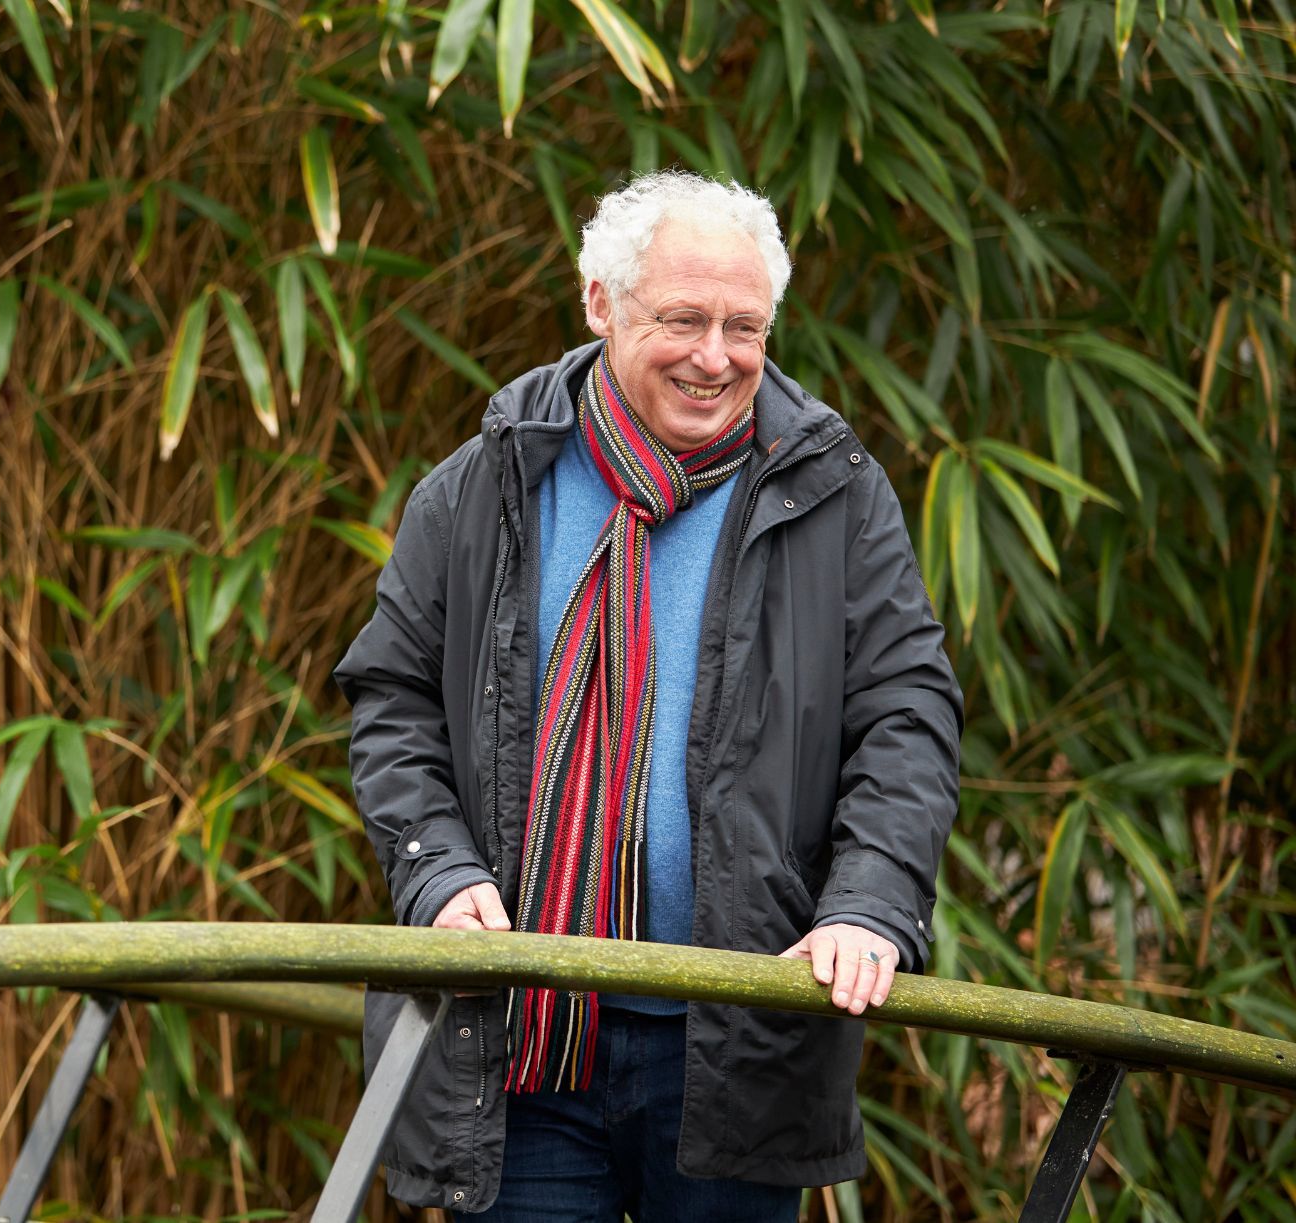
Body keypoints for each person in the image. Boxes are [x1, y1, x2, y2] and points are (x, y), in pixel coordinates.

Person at [332, 169, 963, 1221]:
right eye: (683, 319)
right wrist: (434, 871)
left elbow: (908, 716)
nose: (716, 358)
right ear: (599, 301)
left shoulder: (837, 495)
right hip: (518, 1040)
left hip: (738, 1039)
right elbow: (390, 695)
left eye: (745, 326)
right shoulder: (486, 483)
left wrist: (871, 901)